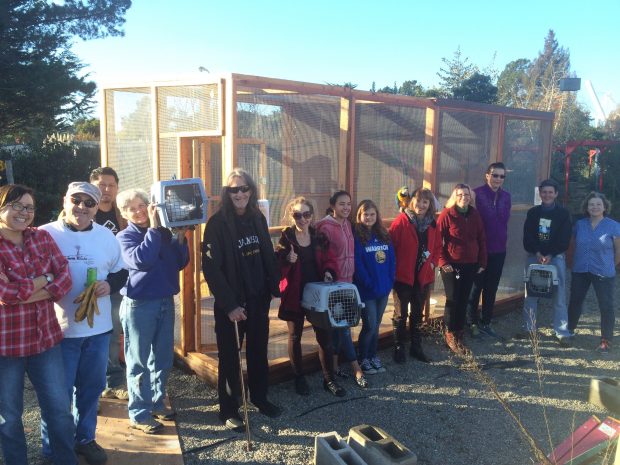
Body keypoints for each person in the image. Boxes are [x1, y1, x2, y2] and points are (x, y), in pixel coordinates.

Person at [40, 182, 126, 465]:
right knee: (57, 396)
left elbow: (120, 272)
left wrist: (107, 284)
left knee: (90, 390)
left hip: (98, 330)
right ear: (65, 200)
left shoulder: (106, 236)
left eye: (89, 203)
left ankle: (85, 439)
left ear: (95, 207)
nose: (82, 207)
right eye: (76, 200)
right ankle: (54, 448)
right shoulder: (44, 234)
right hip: (58, 331)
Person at [0, 184, 77, 465]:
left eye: (29, 207)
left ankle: (64, 460)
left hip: (45, 341)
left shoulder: (41, 238)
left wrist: (29, 288)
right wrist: (45, 279)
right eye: (16, 206)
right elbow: (4, 295)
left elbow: (65, 278)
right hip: (5, 347)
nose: (23, 212)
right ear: (1, 206)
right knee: (8, 417)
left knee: (59, 410)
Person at [202, 168, 282, 432]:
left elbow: (267, 254)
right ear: (227, 193)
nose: (239, 193)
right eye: (233, 189)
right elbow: (211, 269)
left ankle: (259, 397)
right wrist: (230, 305)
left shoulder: (257, 217)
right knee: (230, 358)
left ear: (251, 191)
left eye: (244, 188)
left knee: (259, 353)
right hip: (232, 306)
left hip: (258, 300)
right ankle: (228, 409)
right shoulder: (217, 224)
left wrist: (273, 288)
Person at [116, 189, 189, 434]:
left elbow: (180, 262)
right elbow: (142, 260)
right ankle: (139, 412)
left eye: (141, 205)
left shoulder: (163, 233)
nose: (138, 211)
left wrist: (180, 238)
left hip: (165, 301)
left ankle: (157, 402)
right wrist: (154, 231)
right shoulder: (125, 237)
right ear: (124, 213)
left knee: (162, 358)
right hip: (139, 305)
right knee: (138, 362)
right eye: (131, 208)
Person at [276, 197, 345, 397]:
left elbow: (330, 259)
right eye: (298, 215)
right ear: (292, 216)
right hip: (295, 294)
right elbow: (277, 270)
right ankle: (299, 378)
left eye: (306, 214)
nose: (303, 219)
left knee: (325, 337)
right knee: (295, 336)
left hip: (317, 294)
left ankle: (329, 379)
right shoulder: (285, 239)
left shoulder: (319, 237)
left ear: (312, 216)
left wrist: (329, 272)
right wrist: (287, 261)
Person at [315, 191, 368, 388]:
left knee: (341, 327)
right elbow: (320, 255)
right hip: (333, 285)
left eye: (348, 204)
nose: (346, 207)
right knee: (343, 327)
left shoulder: (348, 224)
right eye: (341, 204)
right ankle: (356, 368)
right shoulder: (324, 226)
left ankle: (335, 366)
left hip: (348, 281)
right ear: (333, 205)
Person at [388, 188, 440, 364]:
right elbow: (390, 248)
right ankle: (398, 347)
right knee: (401, 314)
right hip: (403, 277)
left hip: (423, 276)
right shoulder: (401, 222)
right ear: (411, 202)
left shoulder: (433, 223)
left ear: (429, 204)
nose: (421, 205)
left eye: (425, 202)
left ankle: (416, 347)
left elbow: (438, 245)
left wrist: (433, 263)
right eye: (418, 201)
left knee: (417, 313)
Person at [90, 166, 129, 400]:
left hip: (116, 282)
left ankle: (113, 379)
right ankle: (91, 384)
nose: (106, 190)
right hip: (89, 284)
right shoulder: (84, 212)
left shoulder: (121, 214)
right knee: (89, 333)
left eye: (111, 185)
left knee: (115, 331)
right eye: (101, 185)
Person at [520, 179, 572, 345]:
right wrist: (537, 252)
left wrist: (550, 254)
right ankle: (529, 328)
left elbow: (565, 238)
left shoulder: (563, 214)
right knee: (531, 294)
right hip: (534, 257)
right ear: (540, 193)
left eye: (550, 192)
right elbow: (527, 236)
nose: (547, 195)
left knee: (559, 295)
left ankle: (562, 332)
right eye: (544, 192)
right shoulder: (533, 212)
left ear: (556, 194)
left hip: (556, 258)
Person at [567, 192, 620, 353]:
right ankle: (568, 331)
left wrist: (611, 265)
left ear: (604, 207)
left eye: (598, 204)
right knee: (575, 301)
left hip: (603, 272)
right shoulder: (580, 225)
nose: (594, 207)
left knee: (606, 306)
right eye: (591, 204)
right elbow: (572, 245)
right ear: (587, 207)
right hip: (581, 270)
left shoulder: (613, 226)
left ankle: (606, 340)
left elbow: (619, 251)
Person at [437, 184, 487, 354]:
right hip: (452, 265)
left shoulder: (474, 214)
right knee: (453, 299)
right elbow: (437, 241)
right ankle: (449, 333)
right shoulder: (447, 214)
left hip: (470, 264)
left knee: (464, 298)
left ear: (470, 197)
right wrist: (443, 262)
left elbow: (481, 239)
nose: (463, 197)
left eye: (467, 194)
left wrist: (482, 262)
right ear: (454, 196)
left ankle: (459, 332)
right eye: (460, 194)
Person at [466, 162, 511, 339]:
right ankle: (471, 322)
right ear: (487, 175)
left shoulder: (506, 196)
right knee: (475, 287)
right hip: (480, 249)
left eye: (502, 176)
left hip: (499, 248)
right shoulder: (477, 194)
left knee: (491, 288)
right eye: (495, 175)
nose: (498, 179)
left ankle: (486, 321)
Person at [353, 200, 395, 375]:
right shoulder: (357, 237)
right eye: (365, 214)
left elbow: (392, 260)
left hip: (383, 289)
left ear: (376, 216)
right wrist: (369, 283)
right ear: (360, 216)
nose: (369, 218)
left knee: (377, 325)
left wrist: (390, 280)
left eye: (372, 214)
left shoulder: (383, 234)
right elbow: (358, 265)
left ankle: (373, 355)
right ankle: (363, 358)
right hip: (367, 291)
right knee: (369, 325)